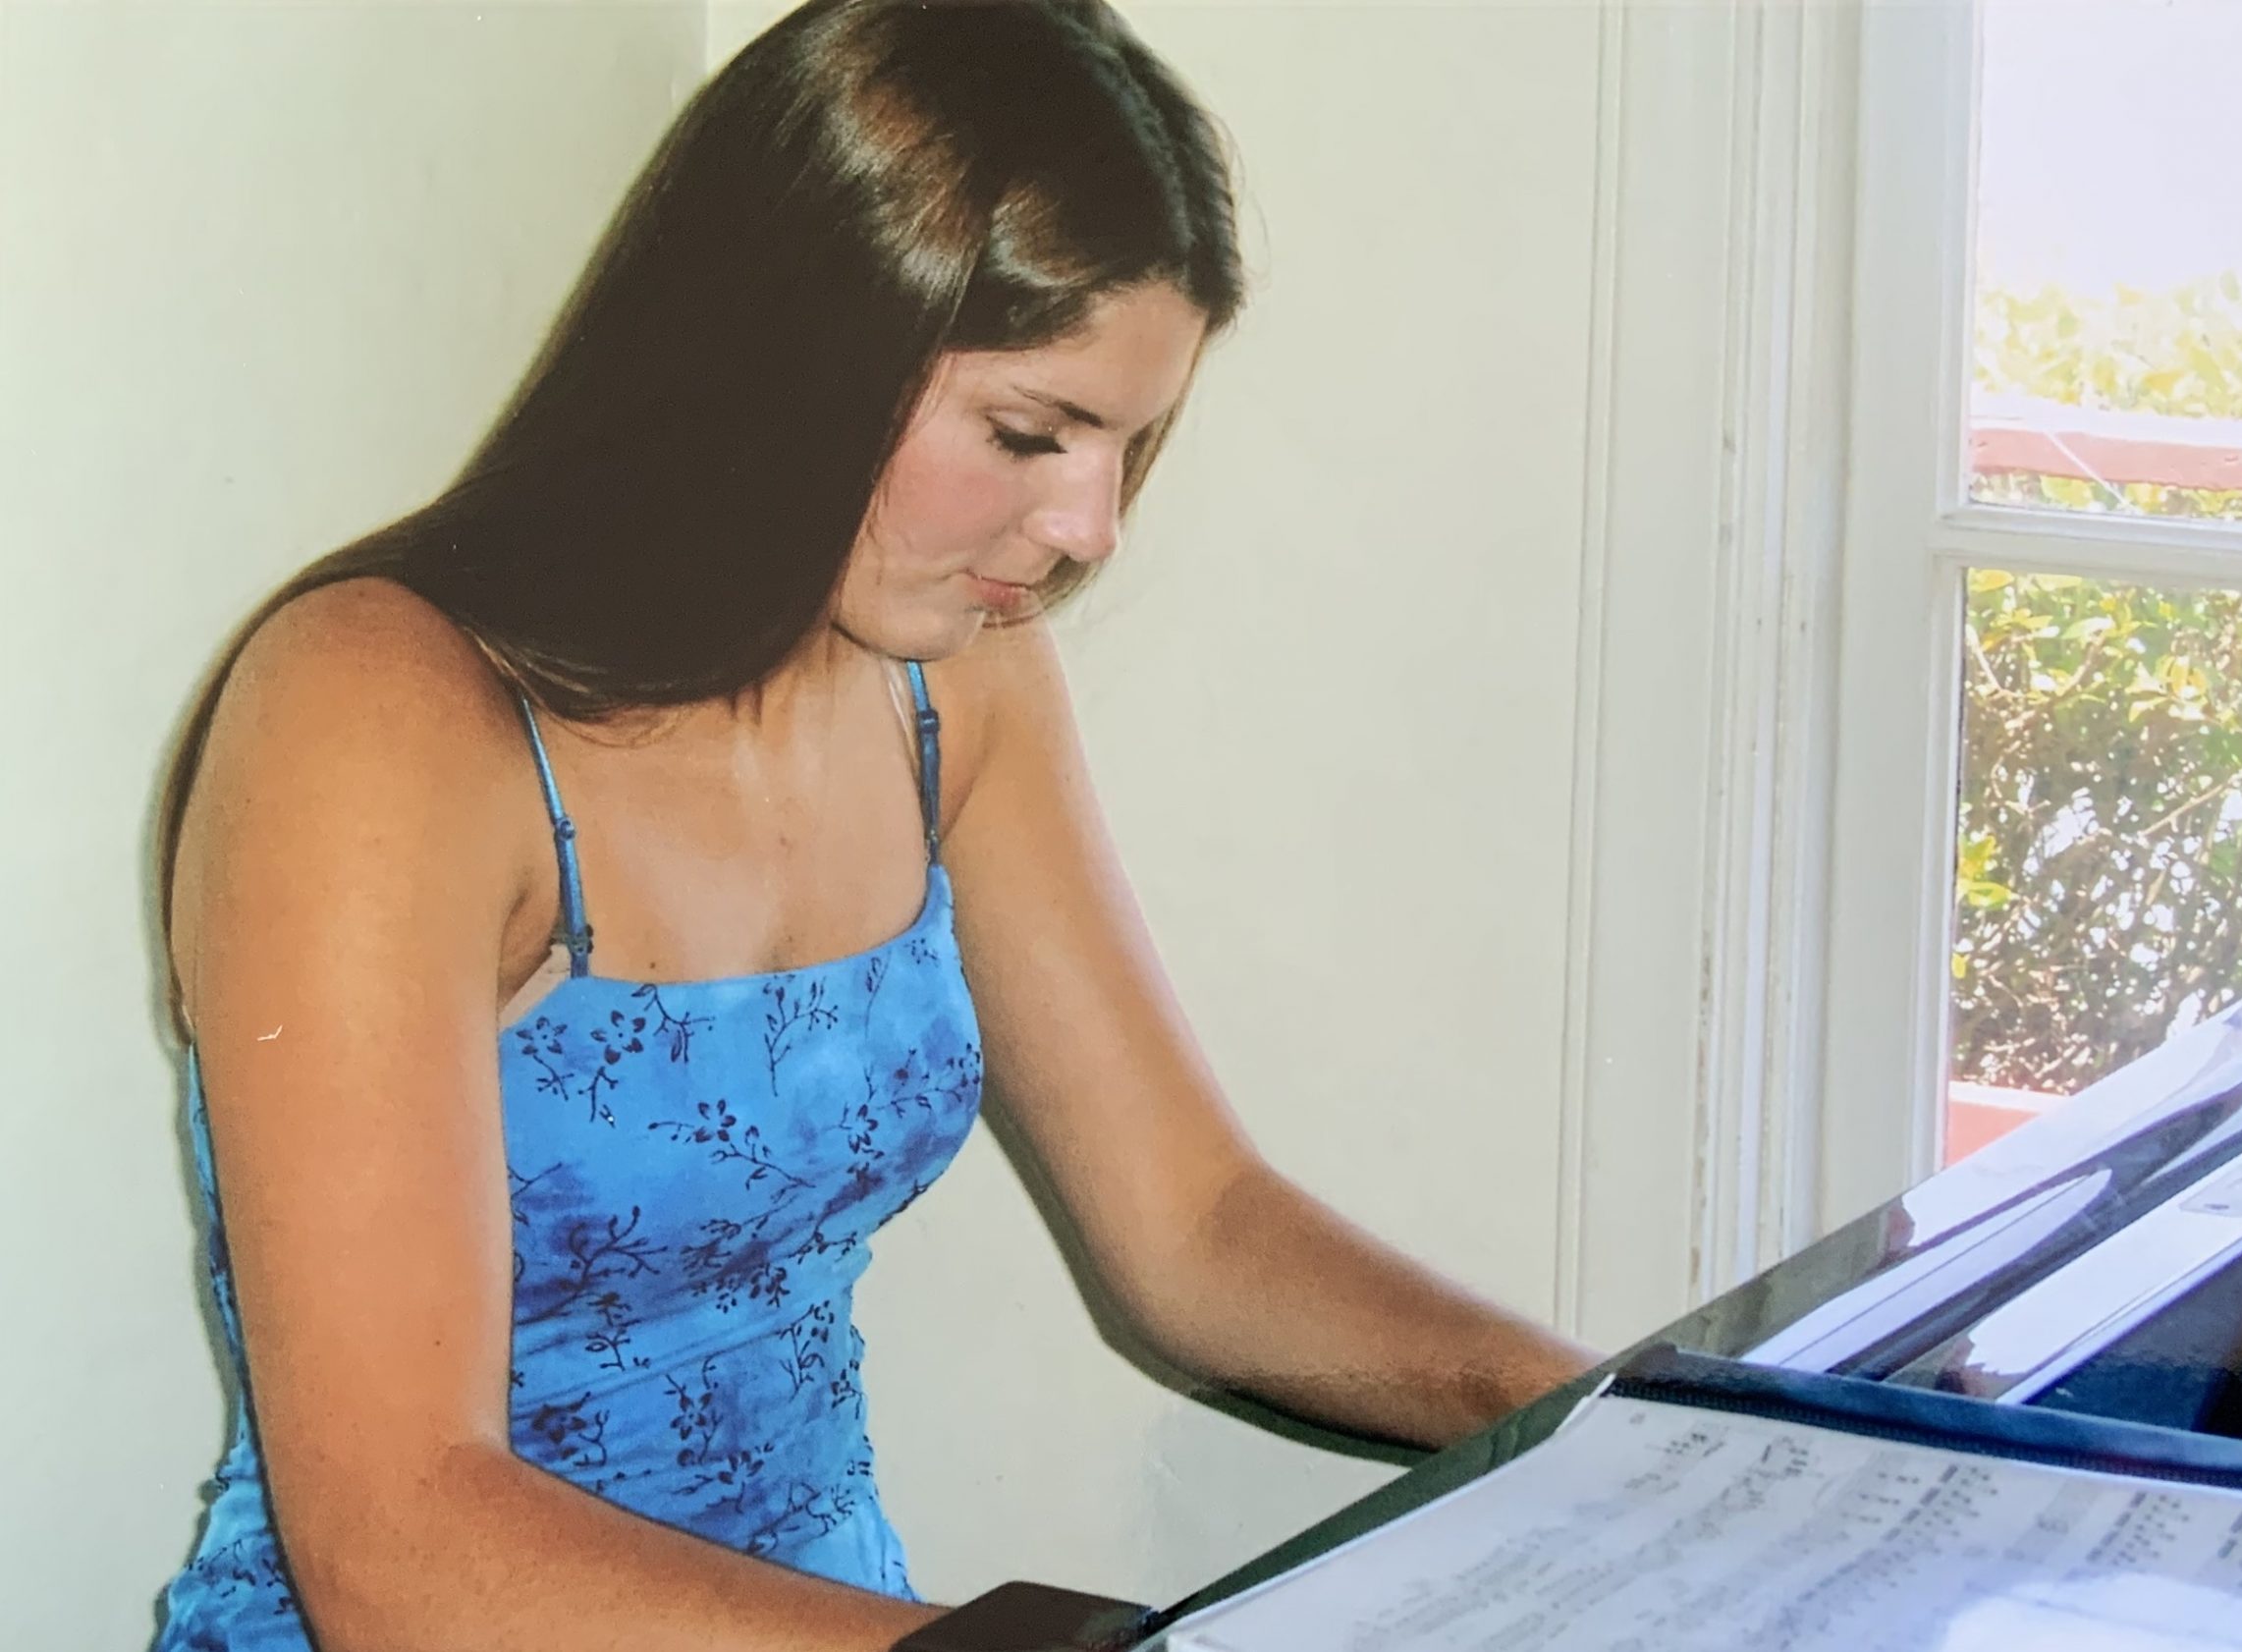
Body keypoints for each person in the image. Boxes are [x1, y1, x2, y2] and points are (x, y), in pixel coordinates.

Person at [149, 2, 1596, 1647]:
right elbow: (399, 1548)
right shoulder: (375, 713)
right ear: (797, 350)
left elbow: (1191, 1228)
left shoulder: (955, 689)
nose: (1090, 526)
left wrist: (1606, 1410)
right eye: (1029, 433)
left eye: (1129, 443)